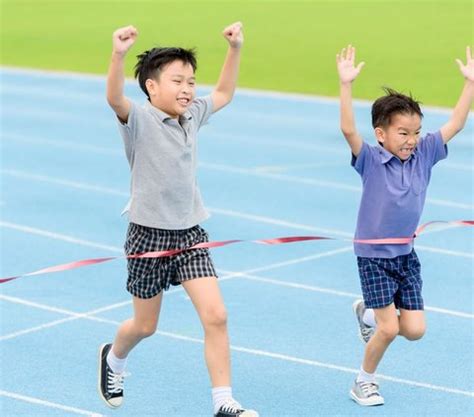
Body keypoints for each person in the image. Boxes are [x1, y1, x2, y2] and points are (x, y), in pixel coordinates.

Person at [98, 23, 259, 417]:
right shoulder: (138, 120)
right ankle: (114, 359)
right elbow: (114, 97)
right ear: (152, 87)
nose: (188, 88)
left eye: (191, 80)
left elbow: (223, 93)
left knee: (217, 315)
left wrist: (235, 49)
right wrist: (118, 55)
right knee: (144, 326)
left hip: (190, 234)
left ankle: (223, 402)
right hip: (148, 238)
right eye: (177, 80)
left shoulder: (192, 115)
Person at [336, 45, 474, 406]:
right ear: (381, 134)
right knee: (389, 328)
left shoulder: (425, 153)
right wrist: (346, 84)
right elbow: (348, 128)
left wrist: (470, 83)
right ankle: (363, 381)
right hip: (373, 257)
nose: (411, 140)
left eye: (416, 132)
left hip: (405, 255)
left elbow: (456, 123)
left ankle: (365, 309)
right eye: (403, 133)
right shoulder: (370, 159)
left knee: (414, 330)